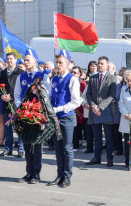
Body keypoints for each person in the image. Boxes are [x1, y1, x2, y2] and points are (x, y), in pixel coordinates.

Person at [15, 49, 51, 184]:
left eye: (28, 60)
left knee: (36, 145)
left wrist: (39, 105)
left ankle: (36, 173)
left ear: (35, 60)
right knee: (26, 144)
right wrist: (21, 106)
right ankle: (28, 172)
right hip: (24, 115)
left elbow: (48, 95)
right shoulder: (21, 77)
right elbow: (17, 94)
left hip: (37, 116)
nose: (26, 62)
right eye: (25, 60)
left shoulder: (42, 76)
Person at [47, 54, 82, 188]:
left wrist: (59, 109)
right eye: (57, 62)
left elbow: (76, 101)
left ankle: (67, 176)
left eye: (60, 63)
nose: (58, 65)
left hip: (66, 117)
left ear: (67, 64)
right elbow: (51, 96)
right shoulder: (54, 79)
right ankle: (60, 174)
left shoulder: (72, 79)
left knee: (67, 148)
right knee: (58, 148)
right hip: (55, 118)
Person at [85, 56, 116, 167]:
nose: (99, 65)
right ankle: (97, 157)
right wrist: (93, 106)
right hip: (94, 111)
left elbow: (112, 95)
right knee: (97, 137)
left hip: (106, 110)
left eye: (102, 63)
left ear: (107, 65)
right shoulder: (92, 78)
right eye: (98, 63)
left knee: (108, 137)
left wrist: (100, 107)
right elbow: (88, 94)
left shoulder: (112, 78)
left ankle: (109, 158)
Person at [0, 52, 24, 157]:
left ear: (15, 60)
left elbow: (22, 89)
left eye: (11, 59)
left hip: (16, 104)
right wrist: (1, 95)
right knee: (7, 128)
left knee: (19, 127)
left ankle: (20, 149)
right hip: (5, 104)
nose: (9, 61)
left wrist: (12, 96)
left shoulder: (20, 73)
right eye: (7, 59)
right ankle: (8, 149)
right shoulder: (3, 73)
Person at [71, 66, 86, 151]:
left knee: (79, 126)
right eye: (71, 72)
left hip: (81, 107)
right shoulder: (70, 81)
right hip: (72, 107)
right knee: (74, 126)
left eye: (74, 72)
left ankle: (79, 143)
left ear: (79, 74)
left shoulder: (82, 83)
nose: (72, 74)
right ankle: (75, 143)